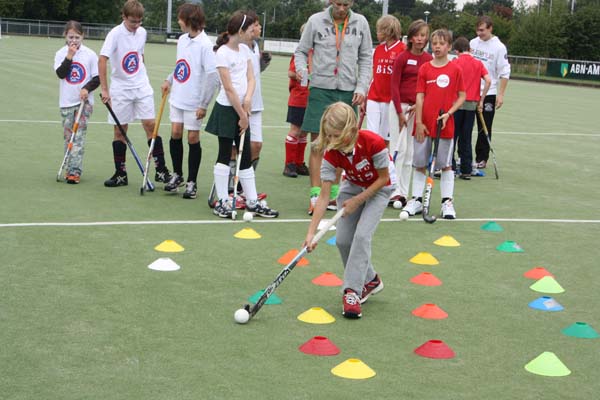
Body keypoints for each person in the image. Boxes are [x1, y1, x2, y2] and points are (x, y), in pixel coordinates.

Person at [304, 102, 394, 319]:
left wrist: (358, 200)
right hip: (352, 186)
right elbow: (324, 197)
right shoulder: (331, 152)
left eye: (336, 136)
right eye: (329, 136)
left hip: (380, 188)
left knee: (362, 237)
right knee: (343, 240)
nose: (332, 141)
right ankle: (370, 280)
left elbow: (384, 179)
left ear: (351, 130)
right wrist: (311, 233)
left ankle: (351, 291)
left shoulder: (374, 143)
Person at [294, 0, 373, 215]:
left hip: (348, 90)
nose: (342, 8)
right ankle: (315, 194)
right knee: (319, 144)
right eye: (338, 3)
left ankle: (334, 193)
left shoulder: (361, 23)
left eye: (346, 4)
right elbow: (301, 51)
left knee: (343, 145)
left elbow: (366, 58)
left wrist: (362, 87)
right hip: (321, 88)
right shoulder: (315, 21)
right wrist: (303, 71)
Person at [205, 11, 278, 219]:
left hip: (243, 107)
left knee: (245, 156)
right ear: (240, 31)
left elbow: (251, 78)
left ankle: (252, 200)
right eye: (250, 29)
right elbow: (228, 89)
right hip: (227, 109)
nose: (253, 32)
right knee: (225, 153)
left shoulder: (245, 50)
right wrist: (242, 113)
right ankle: (223, 201)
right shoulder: (222, 53)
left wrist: (248, 100)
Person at [99, 0, 170, 187]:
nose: (136, 25)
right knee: (120, 130)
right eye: (133, 21)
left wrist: (141, 74)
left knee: (150, 125)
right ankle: (120, 174)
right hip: (120, 89)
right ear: (123, 17)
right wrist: (105, 89)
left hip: (141, 86)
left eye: (140, 21)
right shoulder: (114, 34)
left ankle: (161, 170)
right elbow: (102, 60)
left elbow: (140, 55)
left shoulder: (142, 32)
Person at [403, 29, 466, 219]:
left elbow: (462, 96)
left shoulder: (456, 69)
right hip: (424, 125)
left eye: (441, 43)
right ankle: (415, 200)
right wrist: (420, 122)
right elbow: (420, 97)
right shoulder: (425, 69)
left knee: (445, 165)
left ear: (449, 46)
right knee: (420, 164)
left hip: (445, 127)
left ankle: (447, 203)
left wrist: (449, 113)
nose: (437, 46)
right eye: (435, 43)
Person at [160, 3, 218, 199]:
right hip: (178, 96)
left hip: (194, 101)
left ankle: (192, 182)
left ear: (189, 20)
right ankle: (177, 175)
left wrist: (203, 104)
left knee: (192, 138)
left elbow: (212, 76)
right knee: (175, 133)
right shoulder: (182, 40)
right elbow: (181, 65)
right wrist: (169, 79)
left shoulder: (205, 45)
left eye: (180, 18)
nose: (178, 21)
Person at [389, 19, 431, 208]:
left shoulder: (428, 60)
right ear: (411, 37)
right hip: (399, 108)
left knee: (411, 153)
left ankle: (403, 192)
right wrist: (399, 112)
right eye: (417, 35)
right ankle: (392, 190)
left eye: (423, 35)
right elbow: (394, 86)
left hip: (418, 110)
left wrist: (419, 105)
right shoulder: (402, 57)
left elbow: (428, 88)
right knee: (399, 149)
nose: (420, 39)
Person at [54, 20, 99, 184]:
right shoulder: (60, 53)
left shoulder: (90, 54)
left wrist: (86, 88)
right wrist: (69, 56)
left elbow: (97, 78)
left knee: (78, 136)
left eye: (77, 37)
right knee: (68, 137)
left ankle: (75, 171)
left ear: (83, 36)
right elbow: (61, 73)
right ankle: (69, 167)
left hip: (84, 103)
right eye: (71, 37)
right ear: (65, 36)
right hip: (66, 102)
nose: (74, 41)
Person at [469, 15, 510, 169]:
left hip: (489, 93)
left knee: (484, 126)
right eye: (477, 30)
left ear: (490, 28)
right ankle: (464, 157)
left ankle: (481, 158)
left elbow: (504, 72)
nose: (479, 33)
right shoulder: (472, 43)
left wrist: (501, 94)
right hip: (470, 92)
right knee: (466, 126)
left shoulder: (499, 47)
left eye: (482, 30)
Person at [451, 36, 491, 180]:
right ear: (470, 49)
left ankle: (451, 167)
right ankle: (466, 170)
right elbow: (488, 80)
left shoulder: (455, 62)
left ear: (457, 51)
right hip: (471, 105)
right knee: (466, 137)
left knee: (452, 136)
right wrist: (482, 99)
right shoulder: (478, 63)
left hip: (456, 104)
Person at [365, 15, 405, 144]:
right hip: (374, 97)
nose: (377, 33)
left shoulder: (403, 49)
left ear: (387, 31)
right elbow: (373, 72)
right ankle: (372, 163)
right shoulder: (378, 49)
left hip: (390, 99)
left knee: (385, 138)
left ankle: (384, 163)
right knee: (371, 135)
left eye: (379, 30)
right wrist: (365, 94)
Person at [283, 25, 311, 178]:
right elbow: (290, 72)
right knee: (295, 131)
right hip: (299, 98)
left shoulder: (316, 53)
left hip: (311, 99)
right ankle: (289, 164)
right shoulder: (301, 52)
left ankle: (299, 163)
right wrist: (301, 75)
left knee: (304, 132)